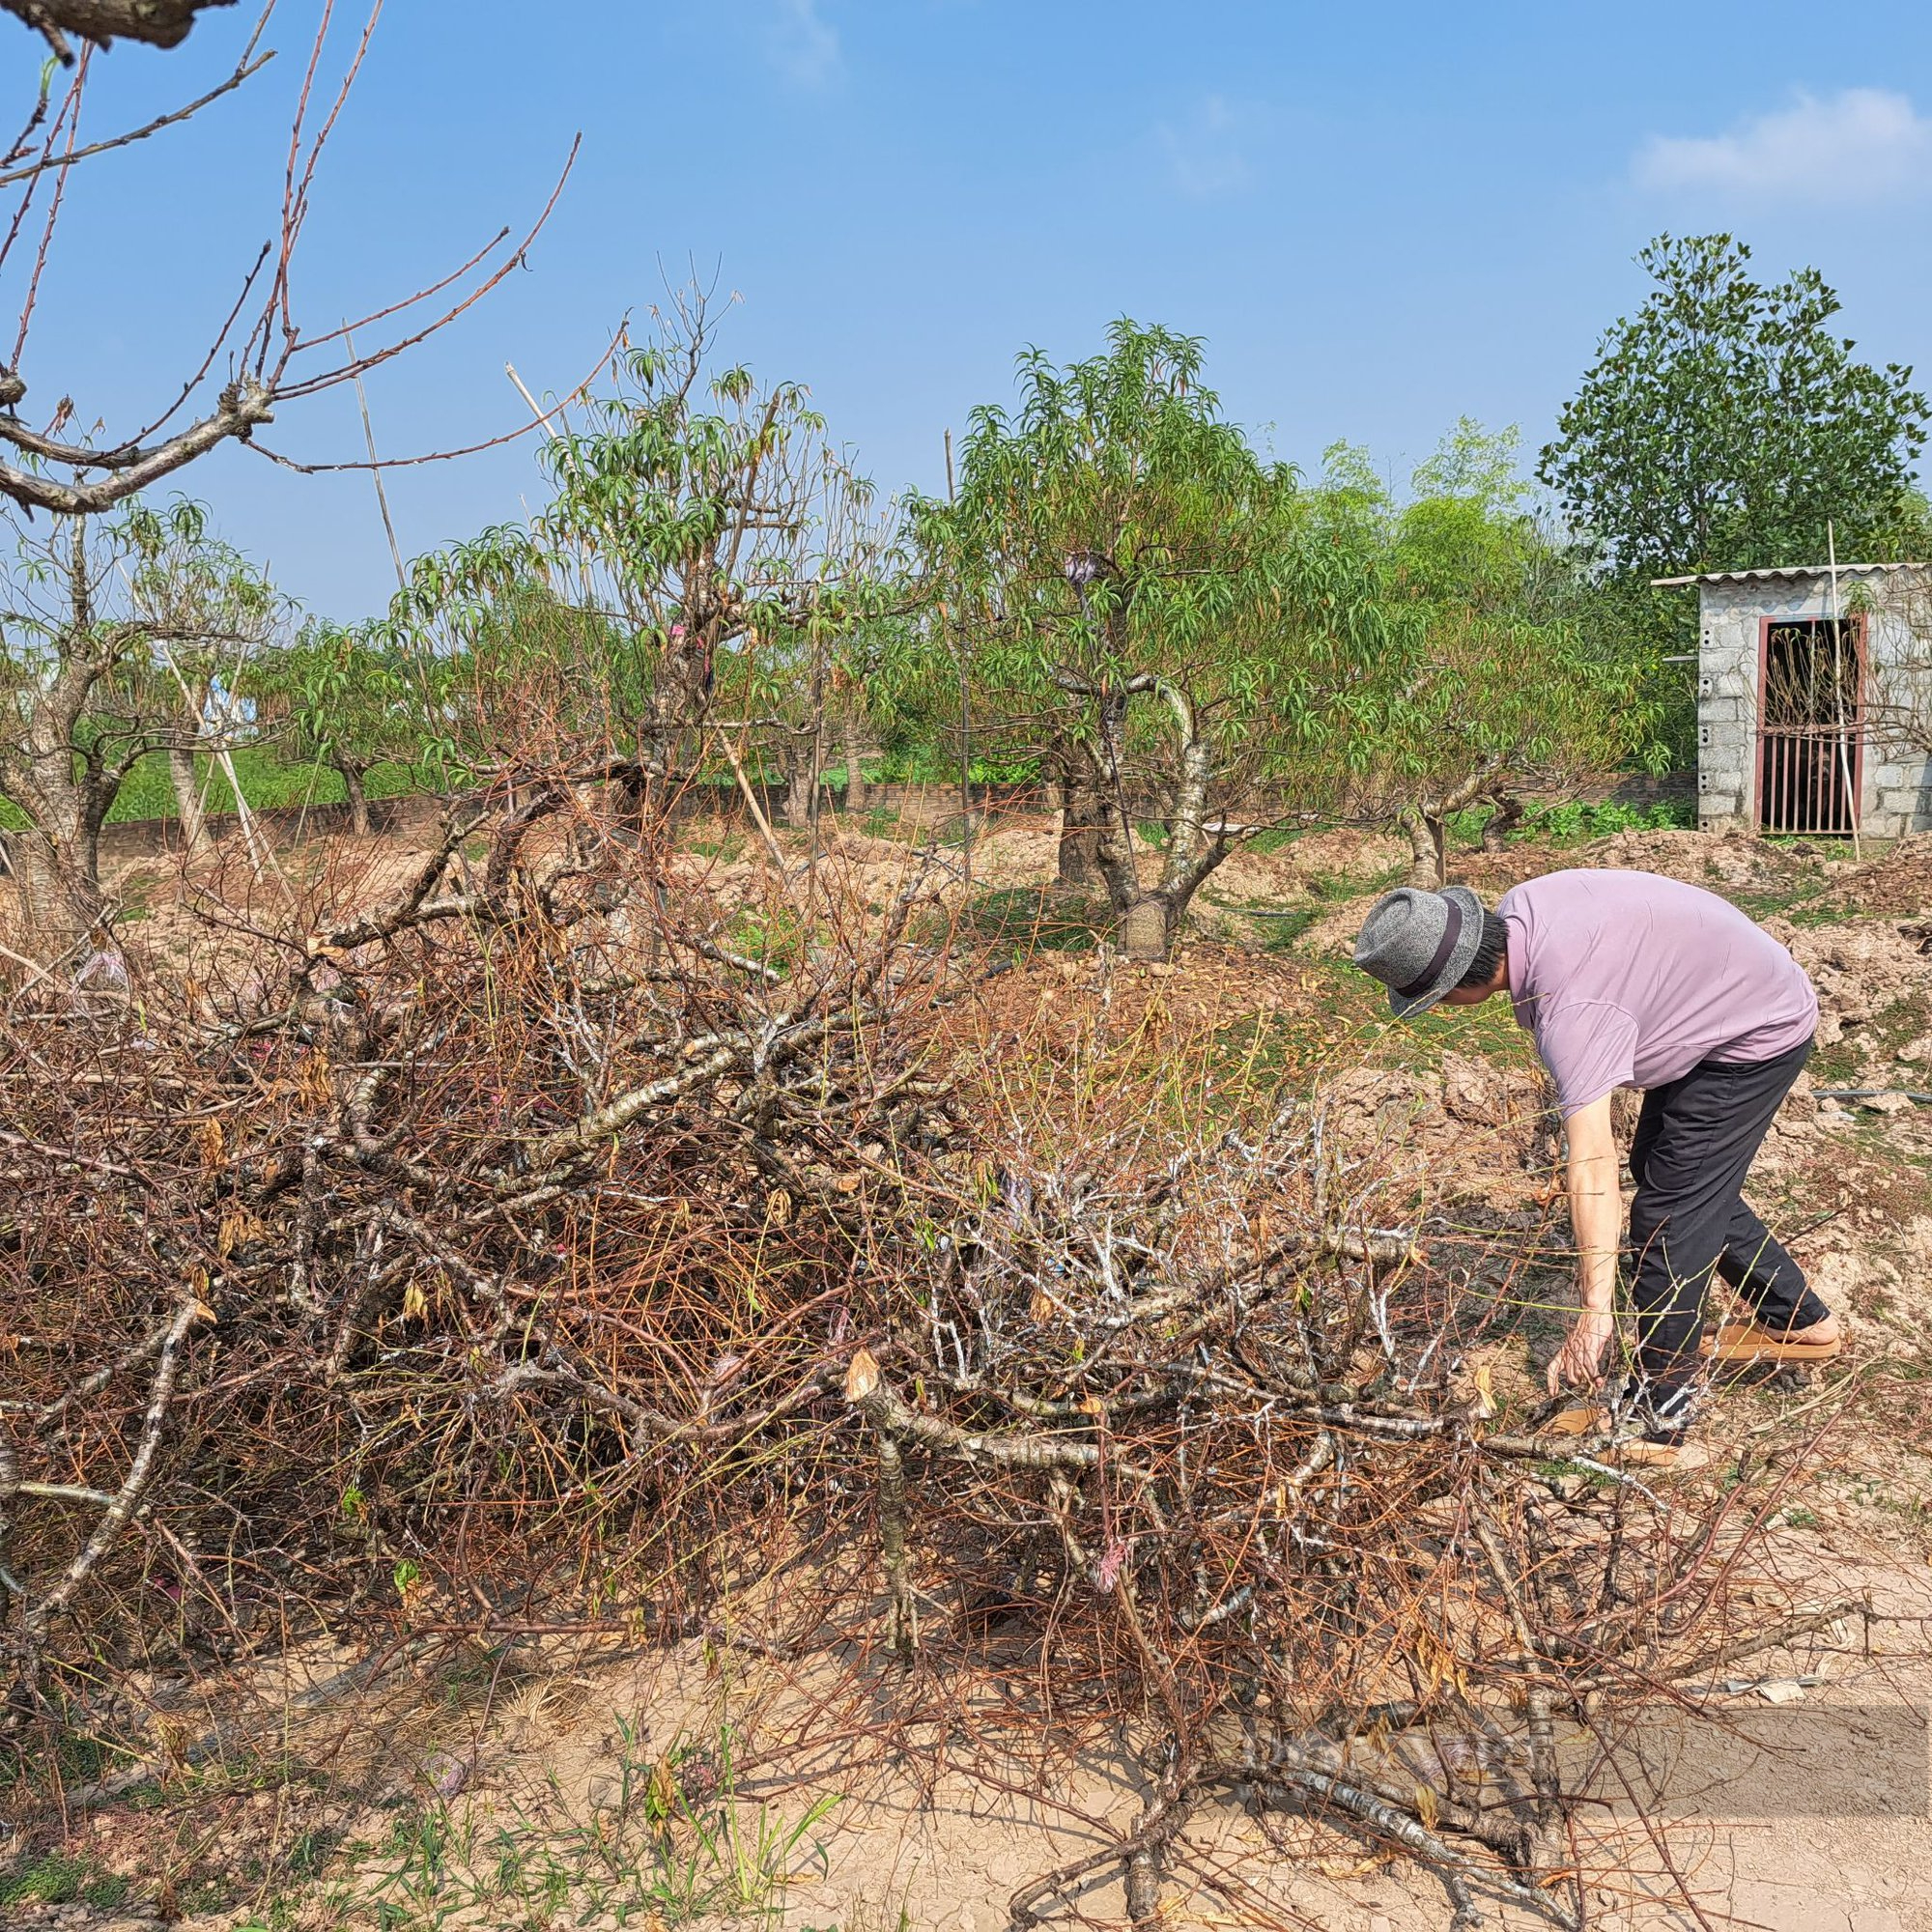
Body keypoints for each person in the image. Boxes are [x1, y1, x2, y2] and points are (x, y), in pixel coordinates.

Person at [1351, 868, 1840, 1469]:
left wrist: (1594, 1312)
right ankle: (1799, 1320)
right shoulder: (1523, 908)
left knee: (1668, 1216)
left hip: (1754, 1029)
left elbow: (1590, 1166)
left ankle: (1661, 1421)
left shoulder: (1572, 1009)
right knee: (1671, 1175)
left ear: (1456, 988)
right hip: (1725, 987)